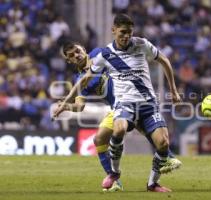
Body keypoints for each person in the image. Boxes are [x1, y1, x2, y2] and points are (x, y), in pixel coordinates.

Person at [53, 14, 181, 192]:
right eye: (71, 55)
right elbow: (80, 105)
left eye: (77, 50)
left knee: (150, 132)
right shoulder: (81, 77)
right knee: (100, 138)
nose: (76, 55)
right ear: (69, 61)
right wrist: (66, 105)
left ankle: (164, 160)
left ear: (82, 48)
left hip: (138, 99)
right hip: (119, 107)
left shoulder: (99, 53)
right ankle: (115, 179)